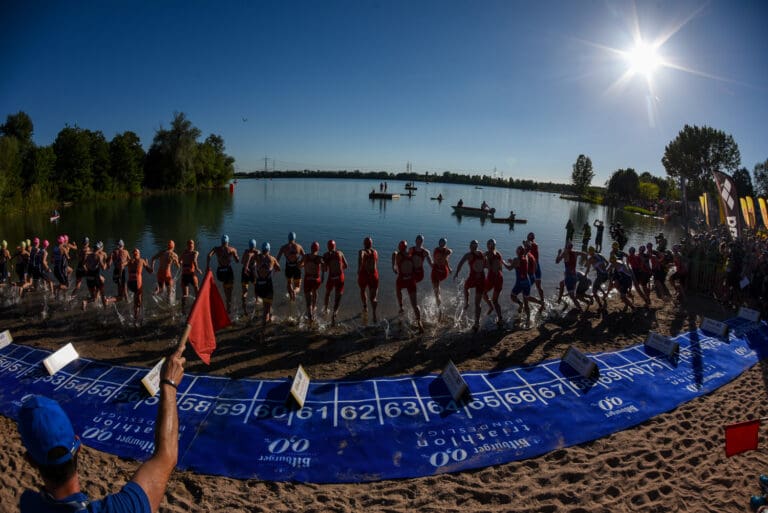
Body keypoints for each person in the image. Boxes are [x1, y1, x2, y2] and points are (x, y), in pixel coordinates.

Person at [17, 351, 186, 513]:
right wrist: (169, 385)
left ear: (30, 461)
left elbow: (166, 456)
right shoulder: (122, 509)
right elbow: (166, 456)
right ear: (78, 444)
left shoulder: (29, 504)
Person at [454, 240, 486, 332]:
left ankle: (476, 323)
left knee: (477, 302)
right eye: (472, 246)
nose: (473, 247)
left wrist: (457, 272)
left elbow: (485, 264)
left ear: (476, 246)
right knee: (466, 287)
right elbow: (461, 263)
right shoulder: (478, 253)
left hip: (478, 279)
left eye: (474, 246)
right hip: (477, 278)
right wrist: (457, 272)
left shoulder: (474, 254)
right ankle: (468, 305)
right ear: (470, 246)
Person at [392, 240, 423, 332]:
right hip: (411, 280)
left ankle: (401, 308)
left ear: (399, 247)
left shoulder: (398, 255)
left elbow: (394, 254)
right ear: (406, 247)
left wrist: (393, 266)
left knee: (398, 289)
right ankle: (419, 322)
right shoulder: (411, 255)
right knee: (415, 304)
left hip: (402, 280)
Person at [206, 235, 239, 314]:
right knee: (229, 293)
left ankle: (226, 304)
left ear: (221, 241)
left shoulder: (216, 249)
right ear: (228, 242)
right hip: (228, 271)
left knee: (225, 287)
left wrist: (208, 266)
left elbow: (208, 255)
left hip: (220, 272)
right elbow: (237, 261)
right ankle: (228, 309)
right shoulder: (232, 249)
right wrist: (236, 255)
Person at [254, 242, 281, 326]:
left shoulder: (257, 257)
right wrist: (272, 271)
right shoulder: (272, 259)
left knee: (265, 305)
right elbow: (278, 269)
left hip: (259, 285)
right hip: (268, 286)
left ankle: (268, 319)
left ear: (262, 249)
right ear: (269, 249)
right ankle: (262, 332)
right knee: (266, 309)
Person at [322, 240, 348, 326]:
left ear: (328, 247)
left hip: (331, 277)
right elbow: (346, 265)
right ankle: (334, 313)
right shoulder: (340, 253)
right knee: (338, 296)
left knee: (327, 293)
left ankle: (326, 309)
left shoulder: (325, 255)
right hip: (340, 277)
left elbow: (325, 270)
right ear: (335, 246)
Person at [483, 239, 507, 328]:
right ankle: (500, 318)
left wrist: (485, 260)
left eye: (490, 245)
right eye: (489, 245)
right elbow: (500, 268)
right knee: (495, 300)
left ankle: (491, 308)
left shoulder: (491, 254)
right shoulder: (498, 253)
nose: (489, 246)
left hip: (493, 278)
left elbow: (492, 268)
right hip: (499, 278)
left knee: (483, 293)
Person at [555, 242, 586, 312]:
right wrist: (586, 261)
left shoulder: (564, 253)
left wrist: (559, 253)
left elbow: (557, 261)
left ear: (566, 247)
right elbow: (584, 253)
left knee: (572, 296)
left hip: (569, 277)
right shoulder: (575, 252)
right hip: (574, 276)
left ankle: (580, 310)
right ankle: (559, 299)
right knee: (561, 283)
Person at [275, 232, 305, 302]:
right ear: (295, 238)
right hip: (297, 267)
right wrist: (301, 264)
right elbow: (305, 257)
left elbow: (277, 259)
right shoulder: (299, 247)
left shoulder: (283, 247)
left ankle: (291, 298)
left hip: (288, 267)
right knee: (297, 286)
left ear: (288, 238)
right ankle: (295, 291)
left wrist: (276, 267)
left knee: (289, 283)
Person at [357, 236, 379, 323]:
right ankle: (374, 314)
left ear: (364, 244)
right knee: (373, 297)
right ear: (371, 244)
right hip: (374, 275)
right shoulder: (375, 252)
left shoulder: (362, 251)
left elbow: (361, 256)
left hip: (364, 275)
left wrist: (359, 267)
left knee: (362, 290)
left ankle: (365, 307)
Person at [127, 248, 152, 322]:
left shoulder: (129, 261)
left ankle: (136, 315)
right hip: (137, 284)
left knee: (136, 299)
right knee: (138, 302)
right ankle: (138, 318)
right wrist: (148, 264)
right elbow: (150, 271)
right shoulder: (141, 260)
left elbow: (121, 265)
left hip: (130, 284)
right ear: (138, 254)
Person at [300, 241, 323, 323]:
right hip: (316, 280)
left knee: (308, 299)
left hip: (308, 279)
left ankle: (310, 315)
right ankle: (314, 307)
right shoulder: (320, 258)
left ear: (311, 248)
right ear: (318, 249)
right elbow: (325, 267)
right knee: (315, 291)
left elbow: (299, 265)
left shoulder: (306, 256)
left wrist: (305, 265)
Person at [82, 241, 108, 310]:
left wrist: (87, 270)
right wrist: (106, 262)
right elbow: (103, 268)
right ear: (99, 248)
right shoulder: (99, 256)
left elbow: (83, 264)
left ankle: (85, 302)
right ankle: (105, 309)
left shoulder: (88, 255)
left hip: (88, 277)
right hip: (95, 277)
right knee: (102, 293)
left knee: (94, 297)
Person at [431, 237, 453, 317]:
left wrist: (449, 268)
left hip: (440, 271)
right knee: (437, 290)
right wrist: (449, 268)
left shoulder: (440, 250)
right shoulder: (440, 251)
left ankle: (439, 310)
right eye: (442, 243)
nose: (442, 245)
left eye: (443, 243)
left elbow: (444, 258)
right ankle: (439, 301)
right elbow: (443, 258)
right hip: (441, 271)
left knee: (436, 292)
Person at [585, 247, 611, 311]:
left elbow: (587, 268)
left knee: (594, 291)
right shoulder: (600, 255)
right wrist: (604, 270)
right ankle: (604, 293)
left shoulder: (590, 259)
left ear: (589, 252)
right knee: (597, 285)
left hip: (600, 276)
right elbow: (607, 263)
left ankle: (600, 305)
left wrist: (585, 276)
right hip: (606, 275)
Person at [180, 240, 201, 311]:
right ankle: (199, 307)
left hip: (184, 275)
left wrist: (183, 262)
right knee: (197, 291)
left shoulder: (184, 253)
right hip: (191, 275)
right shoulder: (195, 252)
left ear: (187, 245)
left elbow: (180, 261)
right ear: (193, 245)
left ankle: (183, 310)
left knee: (185, 295)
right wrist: (197, 268)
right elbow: (194, 260)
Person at [240, 239, 259, 315]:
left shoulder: (245, 252)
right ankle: (257, 301)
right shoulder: (257, 252)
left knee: (245, 291)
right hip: (252, 271)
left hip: (244, 272)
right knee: (256, 286)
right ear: (255, 245)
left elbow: (242, 262)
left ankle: (244, 303)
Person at [525, 233, 545, 303]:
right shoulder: (533, 245)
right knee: (538, 287)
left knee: (526, 288)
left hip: (533, 269)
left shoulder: (533, 245)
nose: (528, 240)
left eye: (529, 238)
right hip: (536, 268)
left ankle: (527, 303)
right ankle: (542, 301)